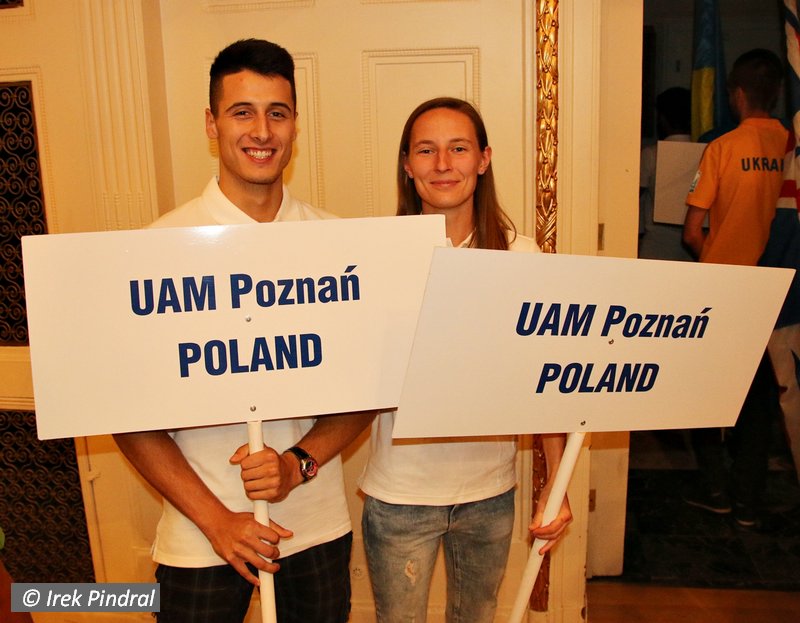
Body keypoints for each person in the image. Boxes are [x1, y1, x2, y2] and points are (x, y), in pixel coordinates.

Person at [113, 39, 374, 623]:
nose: (261, 131)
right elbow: (126, 417)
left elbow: (369, 391)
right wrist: (217, 521)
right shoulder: (156, 249)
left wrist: (297, 464)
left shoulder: (340, 246)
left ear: (295, 124)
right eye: (242, 112)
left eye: (277, 113)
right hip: (198, 536)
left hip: (314, 528)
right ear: (212, 123)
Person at [359, 97, 573, 622]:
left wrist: (556, 484)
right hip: (400, 495)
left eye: (458, 148)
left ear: (483, 159)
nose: (442, 164)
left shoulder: (522, 256)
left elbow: (543, 379)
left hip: (489, 493)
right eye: (425, 150)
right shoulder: (374, 256)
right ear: (407, 165)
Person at [682, 48, 788, 529]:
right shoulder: (789, 145)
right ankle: (748, 499)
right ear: (778, 93)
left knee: (706, 391)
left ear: (737, 94)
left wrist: (717, 261)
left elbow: (692, 232)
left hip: (724, 289)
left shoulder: (723, 147)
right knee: (760, 400)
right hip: (772, 288)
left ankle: (716, 490)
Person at [638, 86, 694, 261]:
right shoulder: (706, 153)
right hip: (691, 249)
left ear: (662, 118)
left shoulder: (651, 154)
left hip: (655, 246)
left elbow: (633, 197)